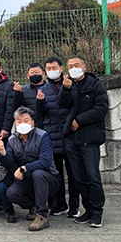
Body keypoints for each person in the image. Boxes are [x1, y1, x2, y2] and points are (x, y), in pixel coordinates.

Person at [58, 56, 109, 228]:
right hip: (72, 138)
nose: (73, 68)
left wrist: (80, 119)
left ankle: (97, 211)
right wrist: (65, 90)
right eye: (70, 66)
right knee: (79, 177)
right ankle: (87, 209)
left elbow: (101, 108)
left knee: (92, 176)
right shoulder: (68, 84)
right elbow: (63, 104)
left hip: (89, 137)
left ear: (84, 67)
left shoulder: (94, 84)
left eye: (76, 65)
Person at [0, 107, 61, 231]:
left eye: (26, 120)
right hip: (27, 181)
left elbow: (45, 161)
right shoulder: (12, 140)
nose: (22, 123)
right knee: (11, 193)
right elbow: (9, 163)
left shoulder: (42, 136)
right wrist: (2, 151)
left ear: (32, 122)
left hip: (49, 179)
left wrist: (24, 168)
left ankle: (42, 216)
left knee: (38, 174)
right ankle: (34, 206)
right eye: (19, 121)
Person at [37, 56, 80, 218]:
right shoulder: (44, 89)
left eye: (54, 68)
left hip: (69, 136)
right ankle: (59, 204)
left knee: (74, 173)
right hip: (52, 137)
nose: (51, 71)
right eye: (48, 68)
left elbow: (73, 106)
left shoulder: (70, 84)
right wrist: (40, 103)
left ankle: (75, 206)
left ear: (61, 69)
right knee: (57, 174)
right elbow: (41, 115)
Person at [14, 63, 45, 127]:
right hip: (29, 126)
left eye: (37, 72)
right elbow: (18, 107)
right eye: (32, 73)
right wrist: (18, 93)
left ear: (43, 74)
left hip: (47, 124)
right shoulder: (23, 90)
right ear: (28, 75)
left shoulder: (49, 89)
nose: (35, 74)